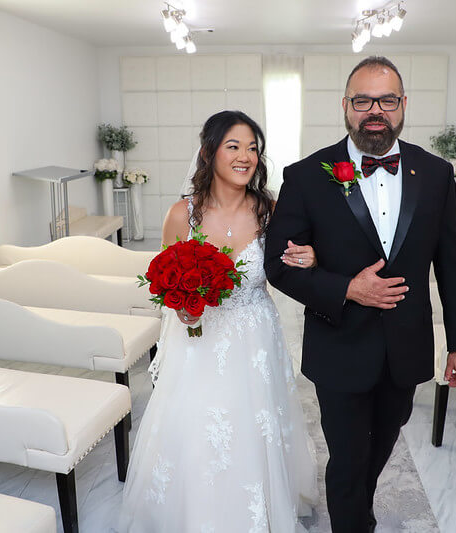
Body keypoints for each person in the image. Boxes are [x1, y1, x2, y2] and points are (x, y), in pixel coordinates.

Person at [264, 56, 456, 533]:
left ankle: (359, 512)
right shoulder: (306, 175)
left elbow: (453, 264)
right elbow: (277, 265)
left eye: (386, 100)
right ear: (345, 106)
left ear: (403, 105)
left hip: (406, 346)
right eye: (363, 101)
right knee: (346, 459)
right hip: (338, 344)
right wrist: (347, 288)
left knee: (380, 446)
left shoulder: (436, 173)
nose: (375, 111)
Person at [118, 110, 318, 532]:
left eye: (253, 148)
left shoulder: (271, 212)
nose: (246, 156)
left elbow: (291, 266)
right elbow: (166, 284)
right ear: (209, 153)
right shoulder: (182, 215)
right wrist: (182, 308)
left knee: (256, 424)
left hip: (256, 336)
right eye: (234, 146)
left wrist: (311, 258)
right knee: (197, 425)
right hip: (199, 341)